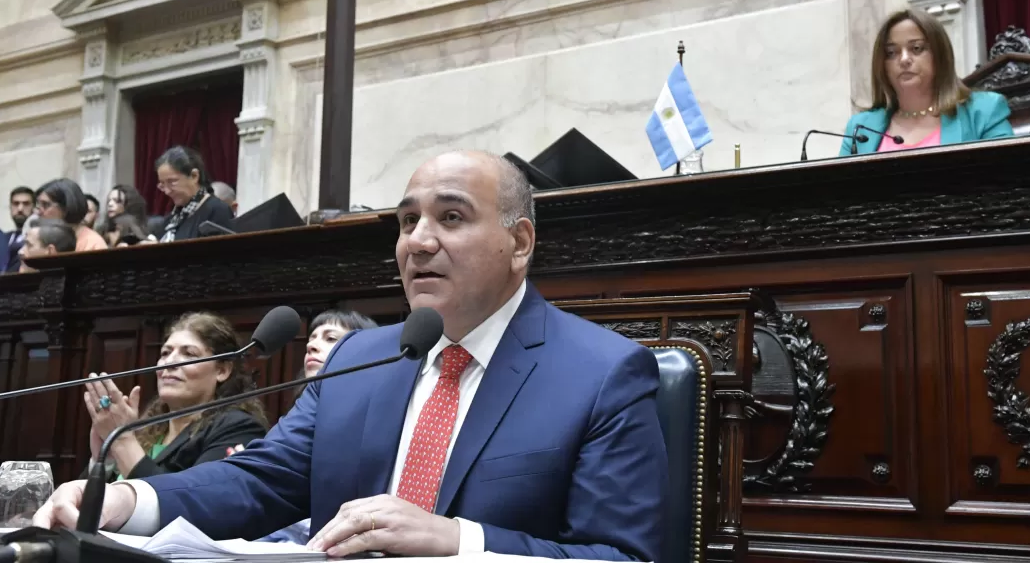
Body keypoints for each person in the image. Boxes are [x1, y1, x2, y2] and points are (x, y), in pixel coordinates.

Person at [35, 150, 667, 562]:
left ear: (519, 241)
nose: (418, 242)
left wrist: (459, 541)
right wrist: (132, 502)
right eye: (406, 220)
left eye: (451, 217)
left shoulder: (602, 373)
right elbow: (262, 478)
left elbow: (626, 557)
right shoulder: (361, 357)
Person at [82, 312, 269, 481]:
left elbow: (188, 502)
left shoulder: (238, 429)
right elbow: (79, 509)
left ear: (222, 370)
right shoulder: (143, 430)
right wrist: (105, 460)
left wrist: (122, 442)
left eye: (189, 354)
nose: (169, 362)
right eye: (165, 353)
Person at [254, 309, 380, 544]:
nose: (312, 346)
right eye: (311, 339)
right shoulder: (301, 409)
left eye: (330, 338)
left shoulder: (378, 414)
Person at [840, 8, 1013, 155]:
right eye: (891, 53)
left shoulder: (983, 112)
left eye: (916, 49)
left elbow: (1009, 183)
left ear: (939, 55)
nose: (904, 59)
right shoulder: (860, 128)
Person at [154, 147, 234, 242]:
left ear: (194, 176)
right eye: (162, 185)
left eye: (172, 182)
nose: (167, 191)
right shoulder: (172, 218)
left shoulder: (217, 211)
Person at [35, 179, 107, 251]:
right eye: (38, 205)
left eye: (45, 205)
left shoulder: (93, 244)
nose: (38, 212)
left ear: (66, 207)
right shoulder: (43, 237)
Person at [3, 187, 33, 273]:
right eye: (16, 204)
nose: (20, 209)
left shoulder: (38, 239)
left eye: (26, 204)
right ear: (10, 207)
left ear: (34, 207)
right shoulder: (3, 239)